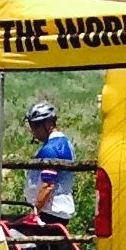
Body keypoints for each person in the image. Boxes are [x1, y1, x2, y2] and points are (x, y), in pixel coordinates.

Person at [23, 97, 78, 227]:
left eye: (36, 125)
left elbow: (47, 185)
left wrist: (36, 211)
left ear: (48, 124)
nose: (33, 131)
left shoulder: (51, 149)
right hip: (56, 210)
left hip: (50, 211)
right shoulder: (65, 143)